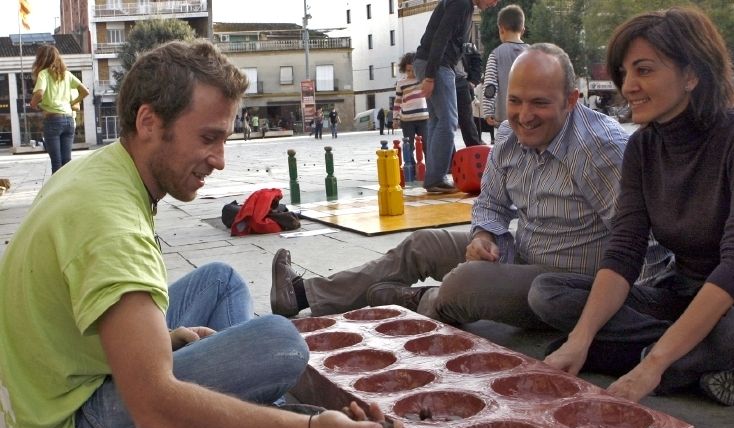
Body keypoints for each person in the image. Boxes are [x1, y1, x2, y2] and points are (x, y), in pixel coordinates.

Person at [0, 40, 403, 428]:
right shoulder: (112, 228)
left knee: (222, 280)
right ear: (149, 121)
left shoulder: (97, 171)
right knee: (279, 343)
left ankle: (223, 420)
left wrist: (169, 339)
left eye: (224, 140)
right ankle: (231, 423)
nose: (220, 160)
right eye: (208, 138)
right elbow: (152, 407)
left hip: (58, 381)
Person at [271, 44, 670, 329]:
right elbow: (492, 206)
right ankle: (306, 294)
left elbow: (641, 247)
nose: (523, 116)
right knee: (422, 244)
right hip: (521, 254)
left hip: (563, 285)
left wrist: (629, 319)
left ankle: (423, 302)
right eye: (515, 102)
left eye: (539, 103)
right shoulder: (509, 141)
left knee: (465, 282)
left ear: (571, 99)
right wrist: (484, 235)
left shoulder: (600, 150)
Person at [528, 6, 734, 407]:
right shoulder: (642, 147)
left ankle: (666, 362)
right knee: (549, 292)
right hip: (684, 292)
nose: (628, 85)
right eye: (624, 72)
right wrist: (579, 341)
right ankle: (708, 361)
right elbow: (624, 251)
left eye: (645, 70)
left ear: (691, 75)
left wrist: (651, 366)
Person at [413, 0, 500, 193]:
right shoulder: (461, 4)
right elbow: (441, 37)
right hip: (437, 63)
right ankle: (436, 178)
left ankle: (433, 178)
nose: (495, 3)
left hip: (433, 62)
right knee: (449, 120)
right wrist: (430, 75)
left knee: (438, 120)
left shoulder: (463, 5)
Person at [29, 44, 90, 173]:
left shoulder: (43, 74)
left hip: (53, 120)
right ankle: (68, 191)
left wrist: (33, 104)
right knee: (66, 161)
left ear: (41, 59)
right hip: (69, 120)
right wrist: (72, 102)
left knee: (56, 163)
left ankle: (57, 193)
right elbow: (85, 91)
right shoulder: (66, 74)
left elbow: (39, 93)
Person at [482, 4, 528, 128]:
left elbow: (490, 85)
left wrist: (488, 111)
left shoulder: (495, 55)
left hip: (505, 117)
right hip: (529, 116)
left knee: (505, 146)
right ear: (522, 30)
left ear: (501, 29)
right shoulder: (533, 54)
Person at [393, 52, 428, 168]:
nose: (411, 73)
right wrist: (395, 118)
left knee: (427, 144)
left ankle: (431, 166)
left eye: (413, 70)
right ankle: (410, 166)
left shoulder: (423, 79)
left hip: (424, 117)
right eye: (408, 71)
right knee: (409, 145)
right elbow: (397, 101)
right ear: (404, 69)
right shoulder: (401, 83)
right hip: (407, 120)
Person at [455, 41, 485, 147]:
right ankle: (448, 157)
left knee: (467, 121)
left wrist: (473, 81)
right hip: (442, 82)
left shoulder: (466, 43)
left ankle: (475, 150)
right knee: (444, 123)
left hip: (461, 82)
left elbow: (477, 59)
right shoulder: (439, 37)